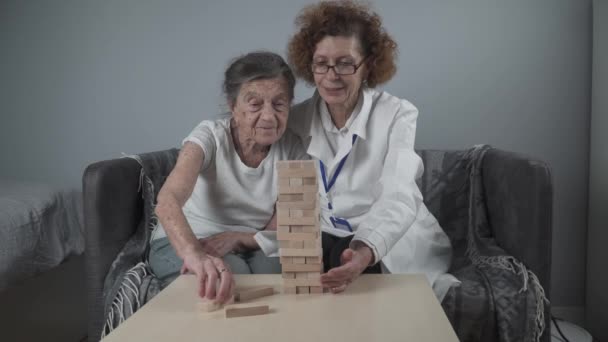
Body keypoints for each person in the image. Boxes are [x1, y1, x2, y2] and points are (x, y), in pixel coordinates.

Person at [283, 0, 456, 299]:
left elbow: (399, 192)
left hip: (384, 231)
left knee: (348, 263)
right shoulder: (295, 119)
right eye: (321, 62)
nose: (331, 75)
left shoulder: (397, 114)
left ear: (368, 66)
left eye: (345, 62)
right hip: (323, 231)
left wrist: (365, 250)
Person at [150, 51, 307, 304]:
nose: (268, 116)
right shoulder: (209, 136)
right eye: (255, 104)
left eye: (279, 104)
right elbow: (168, 200)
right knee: (231, 279)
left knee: (278, 276)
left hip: (253, 241)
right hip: (192, 238)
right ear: (233, 106)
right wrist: (194, 254)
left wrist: (238, 238)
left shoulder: (293, 149)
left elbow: (284, 226)